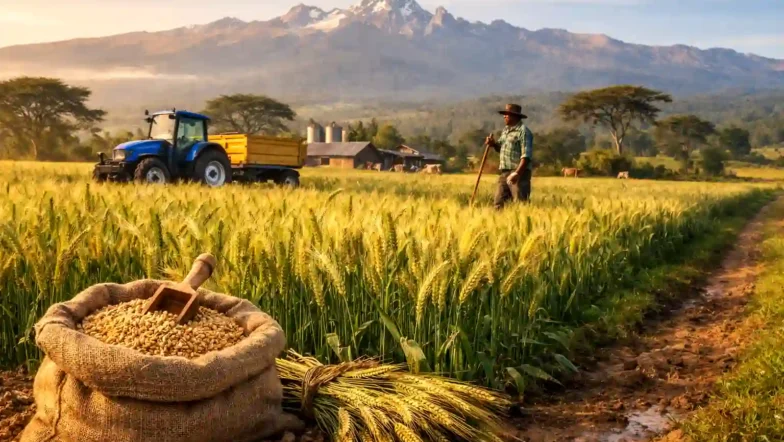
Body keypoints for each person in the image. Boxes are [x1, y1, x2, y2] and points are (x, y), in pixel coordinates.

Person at [485, 104, 533, 210]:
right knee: (498, 203)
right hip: (504, 172)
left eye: (507, 114)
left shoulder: (523, 132)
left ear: (515, 116)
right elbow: (500, 148)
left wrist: (517, 173)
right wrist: (493, 144)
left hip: (519, 173)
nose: (504, 116)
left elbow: (526, 156)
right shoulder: (506, 131)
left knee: (520, 203)